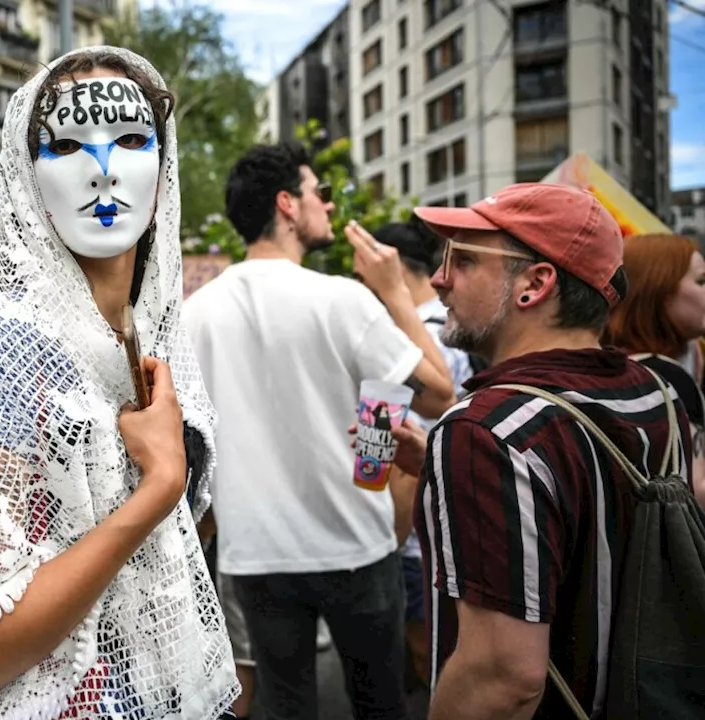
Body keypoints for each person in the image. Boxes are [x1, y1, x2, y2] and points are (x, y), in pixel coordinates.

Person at [0, 47, 239, 718]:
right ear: (25, 174)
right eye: (68, 146)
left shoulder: (157, 331)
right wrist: (157, 487)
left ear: (164, 165)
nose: (103, 171)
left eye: (131, 139)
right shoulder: (2, 354)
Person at [183, 143, 455, 720]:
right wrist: (396, 292)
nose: (329, 207)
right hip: (354, 541)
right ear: (288, 204)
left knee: (287, 708)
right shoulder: (342, 299)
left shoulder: (196, 313)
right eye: (320, 194)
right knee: (379, 703)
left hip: (253, 551)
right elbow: (439, 391)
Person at [401, 183, 686, 718]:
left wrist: (467, 459)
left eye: (462, 258)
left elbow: (503, 680)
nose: (439, 278)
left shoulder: (485, 431)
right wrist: (448, 479)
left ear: (535, 283)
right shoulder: (661, 391)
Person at [372, 219, 476, 693]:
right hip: (430, 524)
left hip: (413, 533)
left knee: (426, 657)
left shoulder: (416, 338)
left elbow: (378, 431)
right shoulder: (447, 327)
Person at [602, 232, 705, 510]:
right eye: (701, 281)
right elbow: (699, 488)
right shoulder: (666, 377)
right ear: (657, 290)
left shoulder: (612, 367)